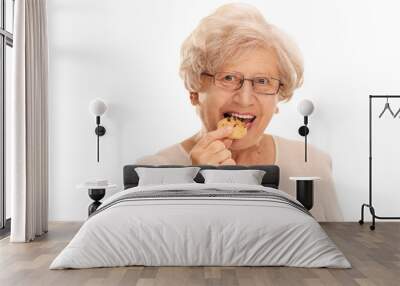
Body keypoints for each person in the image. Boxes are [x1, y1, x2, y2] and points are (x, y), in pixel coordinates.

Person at [135, 3, 343, 221]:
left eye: (262, 81)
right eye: (228, 78)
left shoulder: (312, 163)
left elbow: (336, 244)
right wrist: (195, 184)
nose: (245, 99)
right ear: (194, 90)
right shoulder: (153, 172)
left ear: (278, 95)